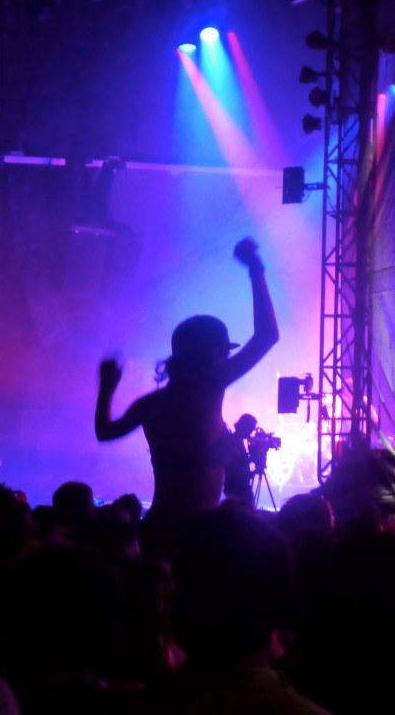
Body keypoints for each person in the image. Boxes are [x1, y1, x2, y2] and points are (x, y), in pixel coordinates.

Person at [94, 237, 278, 559]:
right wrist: (255, 269)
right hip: (196, 537)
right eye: (222, 350)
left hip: (160, 528)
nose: (225, 356)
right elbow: (267, 335)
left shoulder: (150, 403)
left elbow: (105, 433)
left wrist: (107, 388)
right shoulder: (210, 384)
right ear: (209, 354)